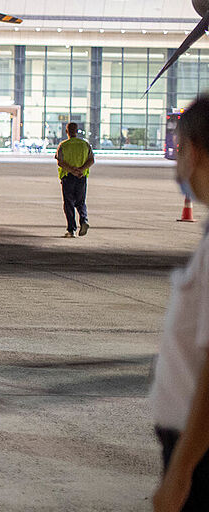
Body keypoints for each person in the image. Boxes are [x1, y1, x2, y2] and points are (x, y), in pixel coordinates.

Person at [151, 95, 209, 511]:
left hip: (200, 457)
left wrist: (181, 472)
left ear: (195, 151)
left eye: (177, 150)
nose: (176, 165)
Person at [56, 122, 94, 238]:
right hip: (81, 177)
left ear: (66, 131)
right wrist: (81, 169)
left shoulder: (63, 145)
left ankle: (71, 229)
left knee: (69, 203)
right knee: (81, 201)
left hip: (68, 177)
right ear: (77, 131)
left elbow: (60, 161)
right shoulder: (85, 144)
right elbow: (91, 160)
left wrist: (72, 170)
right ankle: (83, 221)